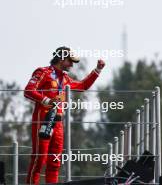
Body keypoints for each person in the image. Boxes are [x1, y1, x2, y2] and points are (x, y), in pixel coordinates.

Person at [24, 46, 105, 184]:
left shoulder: (65, 78)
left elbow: (83, 85)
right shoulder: (43, 72)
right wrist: (48, 101)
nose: (72, 65)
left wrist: (97, 70)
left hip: (58, 123)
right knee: (39, 159)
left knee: (55, 162)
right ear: (61, 59)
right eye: (70, 61)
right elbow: (28, 91)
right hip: (43, 120)